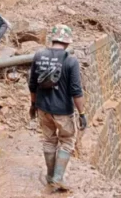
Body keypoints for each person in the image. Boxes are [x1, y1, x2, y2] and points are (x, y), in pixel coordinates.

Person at [28, 25, 86, 191]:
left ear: (53, 39)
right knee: (67, 142)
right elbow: (76, 90)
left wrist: (33, 105)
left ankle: (50, 176)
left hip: (43, 108)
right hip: (63, 111)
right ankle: (58, 178)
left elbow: (32, 85)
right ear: (67, 42)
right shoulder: (70, 60)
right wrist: (82, 113)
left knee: (49, 140)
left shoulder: (39, 55)